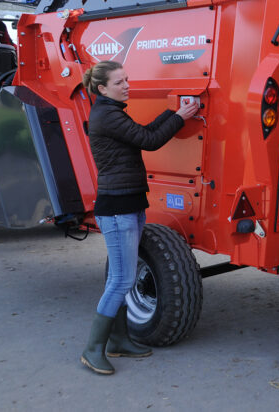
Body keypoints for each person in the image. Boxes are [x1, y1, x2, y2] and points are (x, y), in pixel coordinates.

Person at [79, 60, 199, 375]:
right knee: (121, 280)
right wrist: (180, 117)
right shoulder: (105, 116)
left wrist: (175, 113)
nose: (127, 85)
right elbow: (150, 141)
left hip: (129, 204)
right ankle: (93, 349)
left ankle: (119, 341)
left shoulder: (113, 112)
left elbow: (143, 132)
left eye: (127, 79)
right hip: (117, 208)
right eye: (120, 82)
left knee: (123, 277)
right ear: (102, 88)